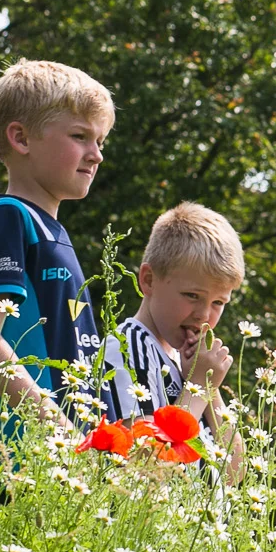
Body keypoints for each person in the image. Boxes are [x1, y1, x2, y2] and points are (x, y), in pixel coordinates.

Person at [0, 59, 116, 432]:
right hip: (23, 451)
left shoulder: (54, 233)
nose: (96, 154)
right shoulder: (8, 217)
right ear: (22, 138)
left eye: (100, 141)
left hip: (72, 450)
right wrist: (59, 430)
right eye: (79, 136)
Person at [105, 202, 248, 484]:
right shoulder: (129, 348)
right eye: (193, 296)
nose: (204, 315)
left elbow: (235, 472)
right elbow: (144, 468)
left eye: (218, 302)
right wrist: (198, 387)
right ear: (149, 280)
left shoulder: (186, 363)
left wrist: (209, 387)